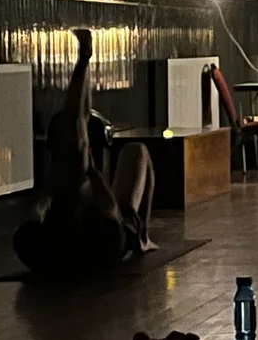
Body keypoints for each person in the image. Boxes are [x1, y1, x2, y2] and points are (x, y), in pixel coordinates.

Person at [13, 28, 155, 277]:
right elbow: (111, 209)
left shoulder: (39, 229)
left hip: (63, 240)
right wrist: (93, 171)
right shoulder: (106, 236)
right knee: (137, 152)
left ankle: (83, 62)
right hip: (99, 242)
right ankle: (144, 236)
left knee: (79, 128)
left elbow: (34, 213)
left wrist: (51, 187)